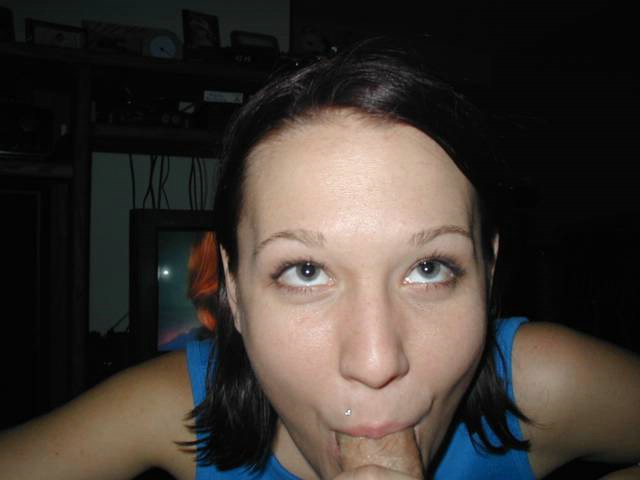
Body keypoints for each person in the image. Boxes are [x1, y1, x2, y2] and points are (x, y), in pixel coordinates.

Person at [1, 36, 639, 480]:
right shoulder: (175, 407)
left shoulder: (544, 385)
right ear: (234, 291)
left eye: (429, 268)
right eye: (305, 271)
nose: (376, 363)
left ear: (489, 274)